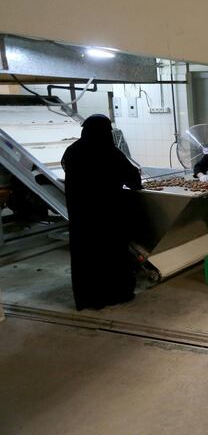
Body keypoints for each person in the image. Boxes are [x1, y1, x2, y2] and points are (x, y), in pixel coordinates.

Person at [61, 114, 142, 310]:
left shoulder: (72, 152)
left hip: (82, 217)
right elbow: (133, 180)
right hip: (108, 216)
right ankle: (116, 293)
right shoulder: (110, 153)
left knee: (86, 257)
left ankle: (88, 298)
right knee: (111, 255)